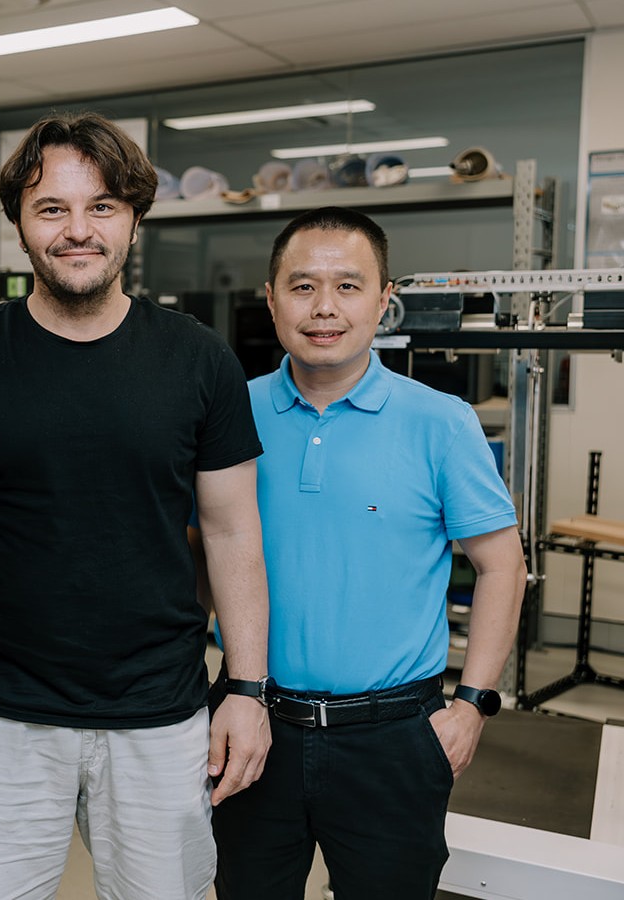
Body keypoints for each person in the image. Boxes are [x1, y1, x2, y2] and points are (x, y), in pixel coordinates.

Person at [0, 111, 272, 900]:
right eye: (51, 208)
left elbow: (232, 532)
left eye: (102, 206)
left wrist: (248, 691)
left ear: (134, 218)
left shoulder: (199, 360)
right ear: (18, 223)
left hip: (159, 714)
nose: (77, 230)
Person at [210, 207, 526, 899]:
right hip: (254, 721)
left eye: (349, 286)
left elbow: (504, 564)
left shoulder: (441, 421)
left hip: (393, 735)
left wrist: (472, 702)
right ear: (270, 299)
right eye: (302, 287)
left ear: (385, 301)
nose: (324, 308)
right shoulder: (230, 409)